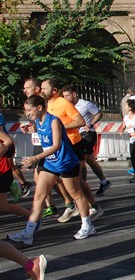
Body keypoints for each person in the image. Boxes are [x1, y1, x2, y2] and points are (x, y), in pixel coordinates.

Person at [8, 95, 97, 245]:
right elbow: (43, 133)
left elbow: (56, 145)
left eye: (29, 110)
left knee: (76, 194)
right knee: (38, 196)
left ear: (40, 107)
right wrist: (31, 129)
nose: (27, 114)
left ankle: (88, 225)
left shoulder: (54, 121)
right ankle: (28, 232)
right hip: (50, 163)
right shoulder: (38, 121)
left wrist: (35, 158)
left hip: (66, 162)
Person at [41, 79, 103, 222]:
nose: (42, 90)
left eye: (44, 88)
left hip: (73, 144)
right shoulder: (48, 104)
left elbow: (81, 122)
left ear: (54, 90)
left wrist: (59, 127)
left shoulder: (63, 103)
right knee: (56, 179)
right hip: (58, 147)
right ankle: (72, 205)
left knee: (78, 181)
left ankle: (91, 207)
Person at [61, 85, 112, 195]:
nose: (65, 99)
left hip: (87, 135)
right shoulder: (66, 106)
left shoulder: (85, 104)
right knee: (91, 161)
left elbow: (99, 113)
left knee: (82, 162)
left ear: (74, 94)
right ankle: (104, 181)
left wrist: (91, 124)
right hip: (75, 136)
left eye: (67, 96)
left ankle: (82, 188)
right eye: (64, 96)